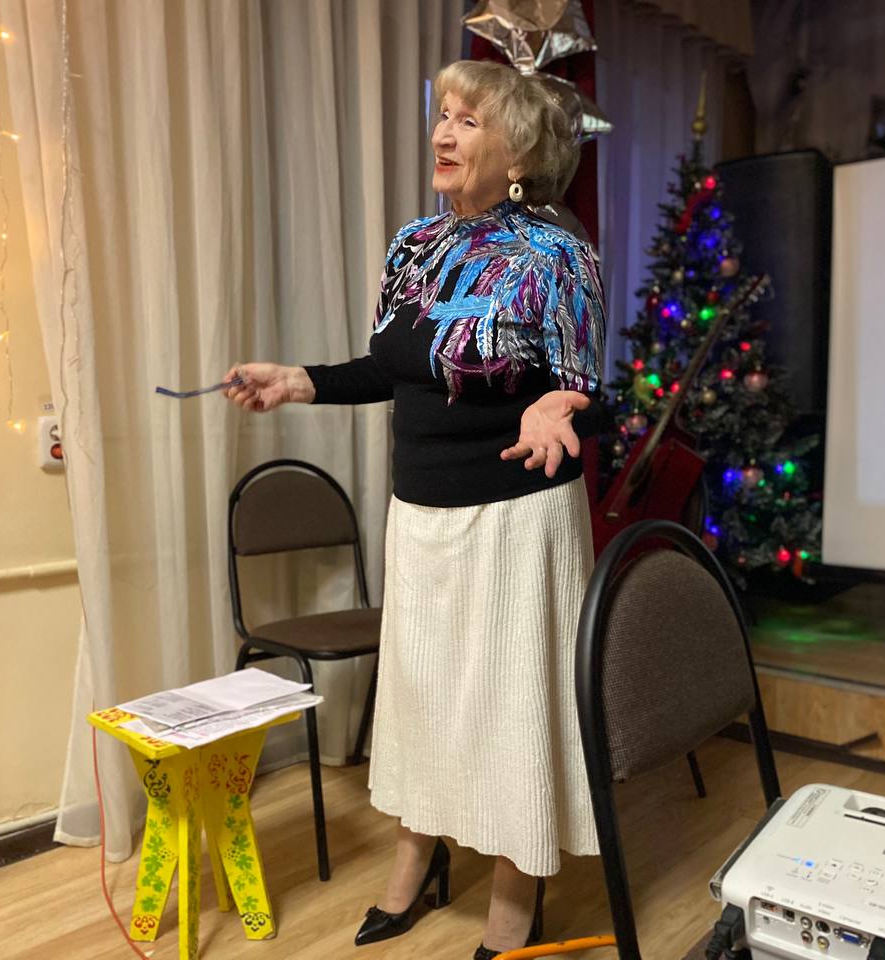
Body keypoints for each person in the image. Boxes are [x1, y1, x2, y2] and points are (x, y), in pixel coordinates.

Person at [224, 59, 605, 959]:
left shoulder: (558, 254)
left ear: (519, 152)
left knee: (511, 709)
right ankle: (416, 862)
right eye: (442, 114)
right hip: (421, 517)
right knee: (423, 701)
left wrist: (560, 406)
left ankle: (515, 894)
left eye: (468, 120)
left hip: (517, 518)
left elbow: (593, 388)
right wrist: (298, 381)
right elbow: (393, 368)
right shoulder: (415, 246)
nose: (442, 132)